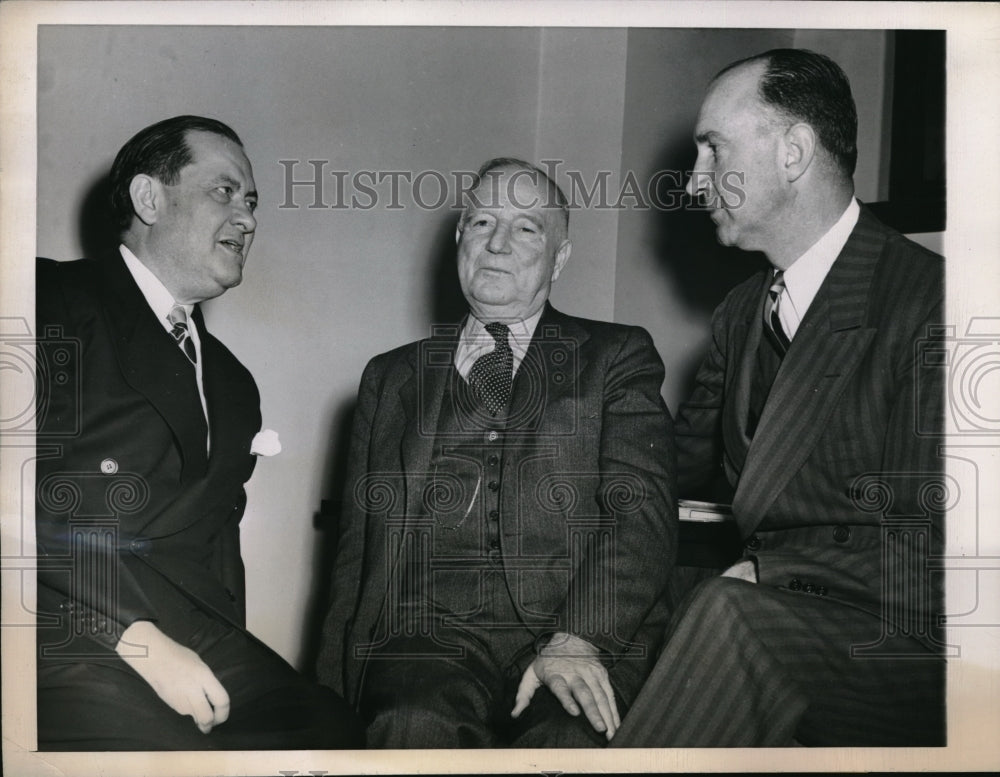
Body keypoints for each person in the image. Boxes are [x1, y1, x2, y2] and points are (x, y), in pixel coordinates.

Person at [610, 49, 946, 747]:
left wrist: (773, 568)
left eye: (713, 150)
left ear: (793, 152)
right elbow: (670, 466)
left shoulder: (933, 303)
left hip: (915, 647)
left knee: (731, 616)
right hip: (780, 619)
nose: (694, 183)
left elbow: (942, 550)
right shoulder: (742, 312)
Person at [316, 158, 676, 748]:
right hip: (425, 637)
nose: (498, 244)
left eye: (527, 227)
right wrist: (327, 691)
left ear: (559, 257)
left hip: (573, 631)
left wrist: (578, 640)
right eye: (482, 222)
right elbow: (357, 554)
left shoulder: (616, 356)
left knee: (564, 744)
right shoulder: (391, 377)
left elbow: (642, 519)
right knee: (411, 725)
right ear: (460, 240)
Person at [35, 115, 363, 750]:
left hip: (193, 625)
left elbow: (217, 551)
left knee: (329, 733)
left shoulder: (234, 383)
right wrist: (131, 635)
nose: (247, 217)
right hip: (55, 611)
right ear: (149, 198)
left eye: (252, 202)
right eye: (224, 191)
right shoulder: (43, 297)